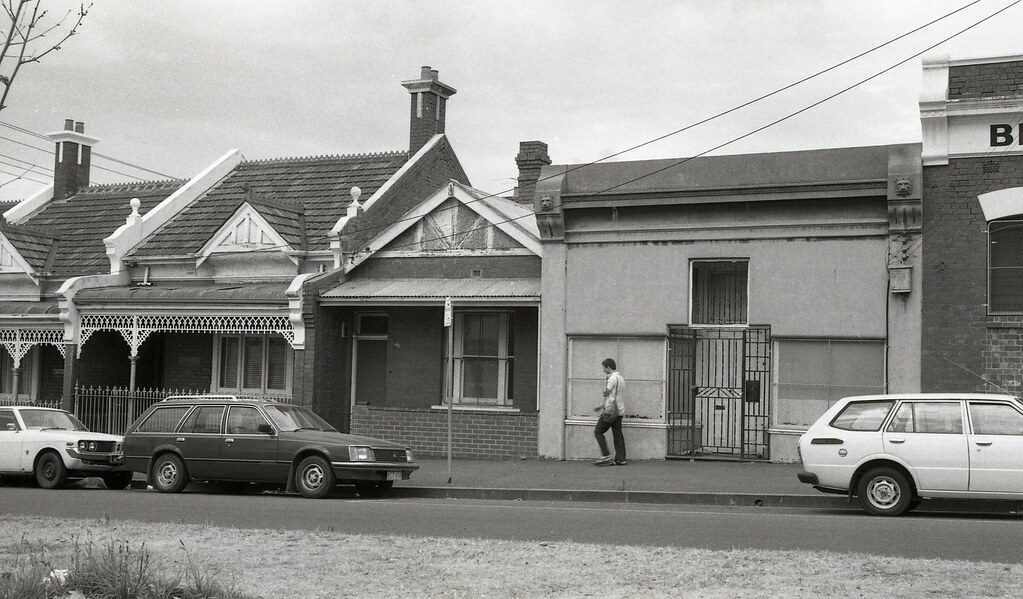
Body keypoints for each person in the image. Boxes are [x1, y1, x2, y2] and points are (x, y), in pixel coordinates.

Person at [593, 358, 626, 466]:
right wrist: (601, 406)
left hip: (610, 411)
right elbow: (615, 396)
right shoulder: (621, 378)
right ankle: (621, 459)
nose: (603, 370)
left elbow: (607, 392)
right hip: (619, 411)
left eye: (604, 368)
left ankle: (606, 456)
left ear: (608, 367)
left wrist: (604, 391)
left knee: (598, 431)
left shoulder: (612, 378)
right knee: (618, 435)